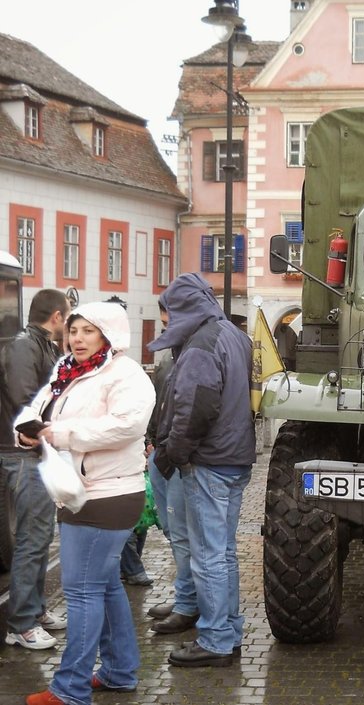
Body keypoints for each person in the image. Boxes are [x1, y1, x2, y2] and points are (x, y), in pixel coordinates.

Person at [16, 302, 156, 705]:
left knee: (80, 593)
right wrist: (32, 432)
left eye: (87, 331)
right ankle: (119, 671)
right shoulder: (69, 371)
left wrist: (59, 434)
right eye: (73, 330)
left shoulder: (125, 374)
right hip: (81, 490)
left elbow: (127, 426)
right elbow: (40, 411)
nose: (76, 338)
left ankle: (70, 688)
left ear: (107, 334)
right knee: (106, 587)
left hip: (105, 494)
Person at [149, 273, 255, 667]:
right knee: (223, 553)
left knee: (209, 555)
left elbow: (195, 407)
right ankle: (228, 631)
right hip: (234, 458)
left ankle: (214, 640)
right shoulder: (233, 334)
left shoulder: (200, 345)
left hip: (209, 463)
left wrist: (173, 454)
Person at [0, 289, 70, 650]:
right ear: (57, 316)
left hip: (32, 452)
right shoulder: (26, 346)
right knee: (32, 538)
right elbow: (25, 396)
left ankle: (34, 610)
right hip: (24, 454)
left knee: (39, 537)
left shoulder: (38, 344)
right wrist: (41, 434)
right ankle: (22, 622)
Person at [146, 303, 200, 634]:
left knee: (182, 533)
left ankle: (187, 605)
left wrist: (176, 451)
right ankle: (184, 594)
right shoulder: (169, 357)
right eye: (164, 323)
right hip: (161, 453)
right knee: (170, 530)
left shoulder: (196, 355)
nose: (167, 329)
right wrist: (152, 441)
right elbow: (159, 402)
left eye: (170, 323)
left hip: (180, 457)